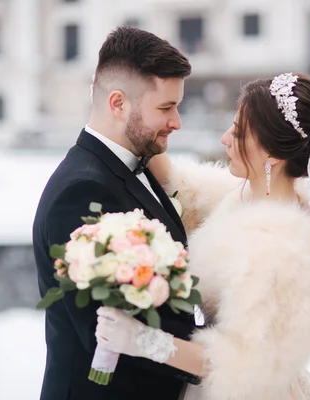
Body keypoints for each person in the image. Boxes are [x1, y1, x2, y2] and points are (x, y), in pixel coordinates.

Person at [94, 73, 310, 399]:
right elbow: (185, 190)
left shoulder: (282, 249)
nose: (225, 138)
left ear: (272, 153)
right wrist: (131, 114)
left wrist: (142, 340)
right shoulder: (255, 196)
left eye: (239, 132)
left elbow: (241, 367)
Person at [32, 26, 200, 400]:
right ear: (118, 103)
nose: (177, 122)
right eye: (166, 108)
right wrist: (212, 355)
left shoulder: (136, 167)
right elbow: (104, 333)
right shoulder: (81, 192)